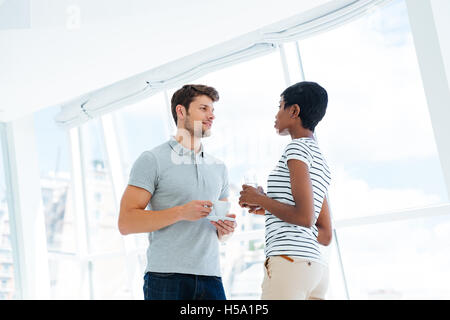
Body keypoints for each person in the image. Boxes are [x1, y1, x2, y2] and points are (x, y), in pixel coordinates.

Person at [118, 84, 237, 300]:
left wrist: (226, 229)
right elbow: (126, 222)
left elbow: (222, 234)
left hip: (211, 278)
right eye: (203, 109)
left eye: (212, 111)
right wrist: (181, 212)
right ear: (181, 111)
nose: (211, 116)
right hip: (166, 278)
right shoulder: (152, 160)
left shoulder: (219, 168)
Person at [239, 81, 332, 300]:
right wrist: (268, 208)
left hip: (290, 264)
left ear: (294, 110)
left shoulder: (296, 148)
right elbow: (325, 233)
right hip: (315, 269)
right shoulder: (320, 160)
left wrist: (261, 199)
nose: (276, 114)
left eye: (280, 106)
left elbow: (304, 217)